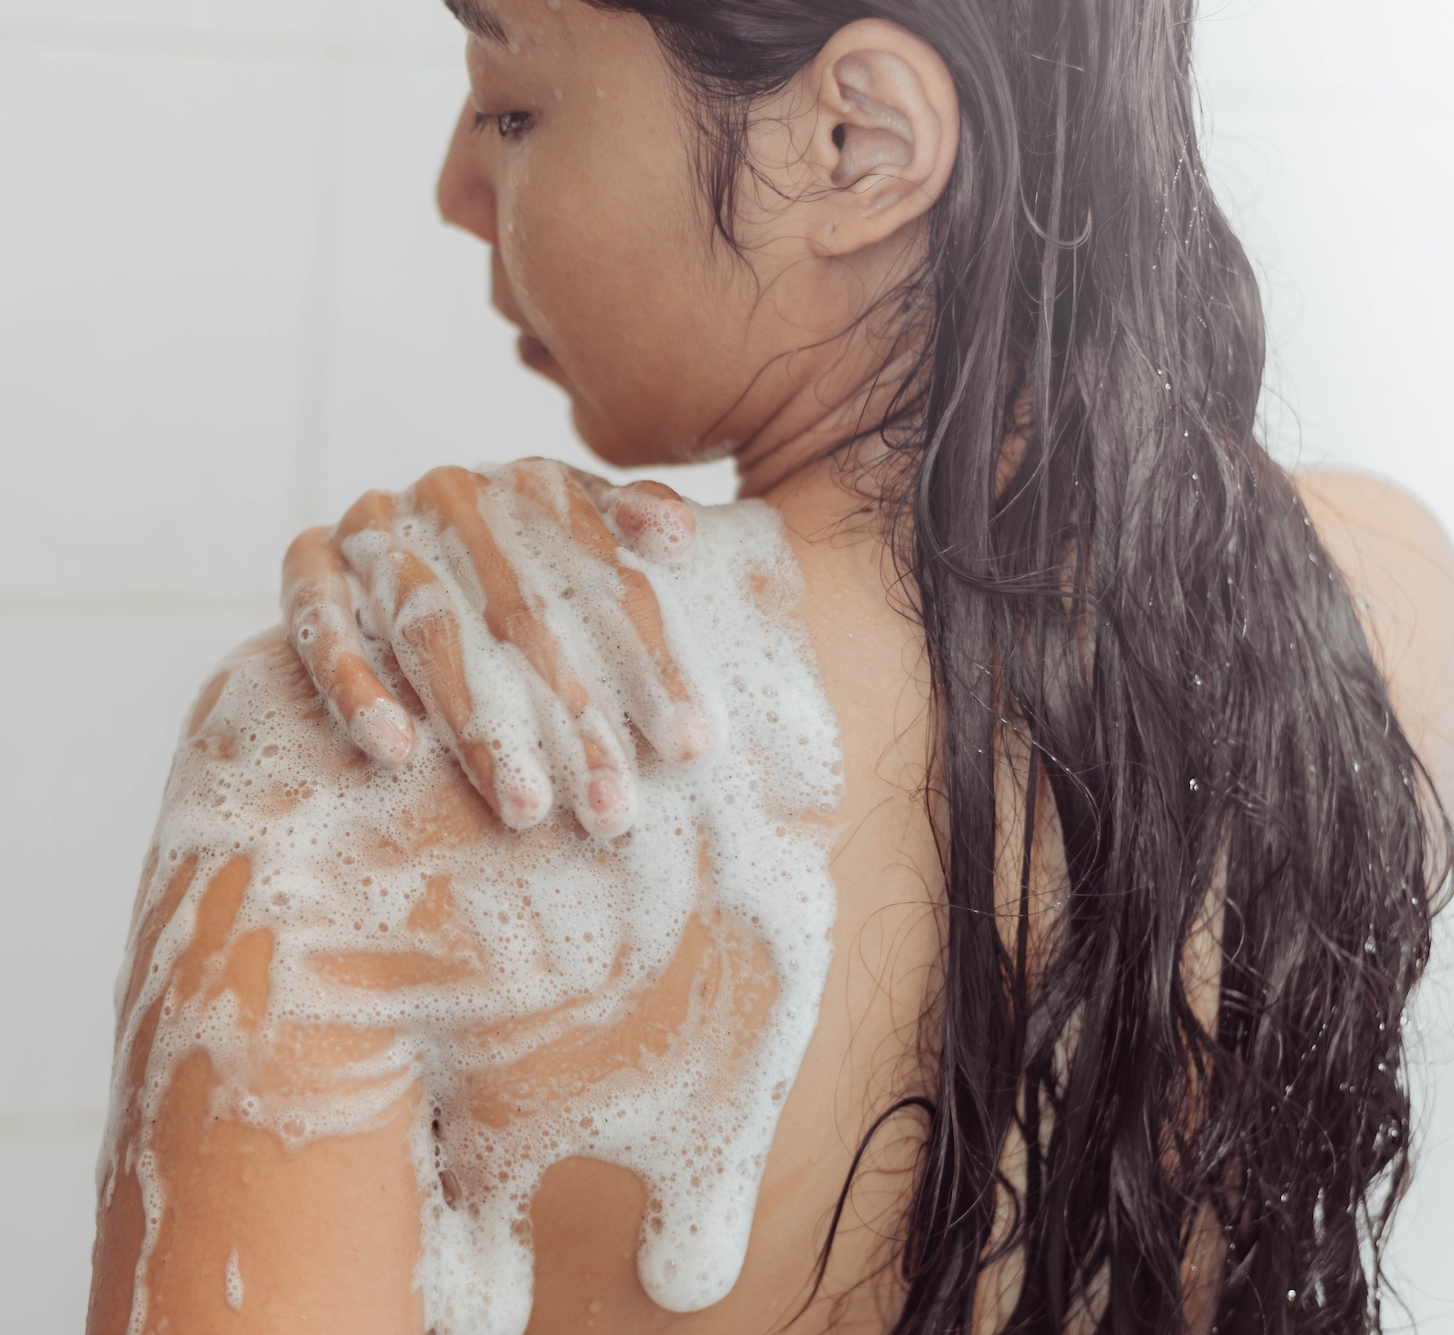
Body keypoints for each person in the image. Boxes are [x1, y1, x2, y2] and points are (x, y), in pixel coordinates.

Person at [87, 1, 1454, 1331]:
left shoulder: (378, 769)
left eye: (514, 103)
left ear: (859, 143)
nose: (456, 184)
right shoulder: (1382, 602)